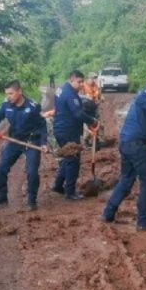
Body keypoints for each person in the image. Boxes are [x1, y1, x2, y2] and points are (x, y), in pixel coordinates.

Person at [102, 73, 146, 231]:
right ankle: (144, 221)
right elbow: (140, 100)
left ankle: (108, 213)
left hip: (127, 143)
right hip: (137, 145)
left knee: (126, 179)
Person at [0, 80, 49, 211]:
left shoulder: (33, 106)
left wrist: (44, 143)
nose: (8, 96)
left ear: (19, 91)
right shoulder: (6, 105)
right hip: (14, 140)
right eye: (6, 94)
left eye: (11, 93)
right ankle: (1, 195)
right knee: (0, 168)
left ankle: (32, 201)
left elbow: (42, 125)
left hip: (32, 141)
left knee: (32, 172)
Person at [51, 70, 98, 200]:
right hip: (67, 131)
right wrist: (92, 121)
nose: (82, 84)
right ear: (71, 79)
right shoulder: (70, 94)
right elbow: (77, 114)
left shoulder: (61, 89)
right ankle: (70, 192)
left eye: (83, 81)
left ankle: (58, 185)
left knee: (67, 158)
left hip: (61, 128)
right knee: (73, 160)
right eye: (79, 81)